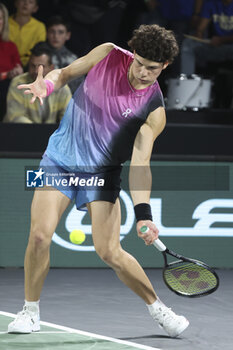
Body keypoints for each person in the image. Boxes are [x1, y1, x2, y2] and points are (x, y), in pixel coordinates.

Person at [7, 24, 189, 338]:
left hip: (103, 173)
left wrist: (144, 216)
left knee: (109, 252)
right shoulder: (107, 54)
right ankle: (30, 311)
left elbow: (141, 163)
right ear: (132, 54)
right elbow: (62, 74)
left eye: (153, 69)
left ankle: (159, 309)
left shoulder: (154, 110)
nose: (144, 73)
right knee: (38, 237)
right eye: (140, 64)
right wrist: (46, 87)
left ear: (166, 67)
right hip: (58, 160)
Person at [3, 44, 71, 123]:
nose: (36, 71)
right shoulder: (18, 83)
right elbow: (16, 117)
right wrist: (37, 132)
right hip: (22, 132)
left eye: (41, 67)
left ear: (51, 68)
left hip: (53, 134)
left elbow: (67, 118)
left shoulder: (61, 85)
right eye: (32, 66)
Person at [180, 0, 233, 75]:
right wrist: (199, 33)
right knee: (188, 44)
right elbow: (201, 29)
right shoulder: (211, 3)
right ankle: (187, 80)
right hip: (216, 44)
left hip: (227, 44)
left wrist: (222, 40)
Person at [43, 15, 83, 93]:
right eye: (52, 31)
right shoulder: (38, 55)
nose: (56, 36)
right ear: (47, 33)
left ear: (68, 35)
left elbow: (79, 86)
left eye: (60, 32)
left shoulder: (73, 59)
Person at [0, 2, 23, 121]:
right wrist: (5, 74)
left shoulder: (10, 46)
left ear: (4, 22)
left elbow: (19, 70)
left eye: (0, 18)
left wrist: (17, 72)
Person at [9, 0, 46, 68]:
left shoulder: (39, 26)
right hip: (6, 61)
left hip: (30, 65)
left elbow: (39, 50)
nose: (26, 3)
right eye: (23, 0)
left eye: (30, 2)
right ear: (16, 3)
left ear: (35, 8)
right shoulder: (5, 22)